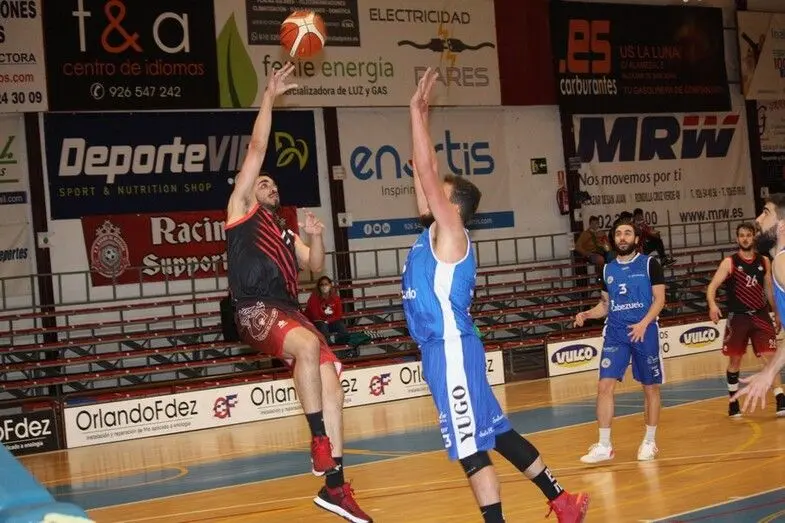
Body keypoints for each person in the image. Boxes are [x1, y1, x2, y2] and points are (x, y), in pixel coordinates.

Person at [401, 68, 589, 523]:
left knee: (471, 448)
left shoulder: (451, 230)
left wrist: (416, 113)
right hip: (446, 348)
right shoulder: (434, 232)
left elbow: (426, 170)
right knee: (497, 434)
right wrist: (418, 124)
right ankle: (563, 501)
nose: (425, 193)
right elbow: (421, 173)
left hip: (449, 348)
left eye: (437, 193)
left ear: (454, 207)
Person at [224, 62, 371, 523]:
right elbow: (257, 147)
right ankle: (318, 441)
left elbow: (316, 265)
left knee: (333, 385)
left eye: (272, 183)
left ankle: (335, 487)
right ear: (247, 189)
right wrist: (269, 96)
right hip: (254, 309)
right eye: (261, 181)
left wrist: (317, 235)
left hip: (289, 312)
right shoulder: (240, 211)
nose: (269, 185)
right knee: (308, 345)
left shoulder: (284, 230)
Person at [573, 218, 666, 463]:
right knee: (604, 386)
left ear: (636, 239)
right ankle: (604, 446)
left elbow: (660, 300)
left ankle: (650, 441)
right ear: (613, 239)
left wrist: (643, 323)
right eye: (618, 234)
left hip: (644, 331)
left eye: (627, 233)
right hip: (616, 333)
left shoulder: (650, 264)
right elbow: (605, 305)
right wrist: (587, 314)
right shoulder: (607, 269)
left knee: (650, 388)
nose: (622, 237)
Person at [706, 222, 785, 417]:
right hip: (738, 317)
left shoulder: (764, 261)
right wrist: (712, 304)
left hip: (760, 315)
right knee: (735, 361)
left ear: (753, 237)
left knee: (770, 357)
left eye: (748, 235)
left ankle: (780, 398)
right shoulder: (729, 262)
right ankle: (733, 401)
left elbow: (769, 289)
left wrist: (776, 312)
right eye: (742, 235)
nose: (745, 239)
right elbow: (712, 286)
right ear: (737, 239)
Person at [733, 195, 785, 413]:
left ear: (782, 225)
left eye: (766, 213)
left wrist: (769, 372)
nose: (758, 219)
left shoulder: (782, 262)